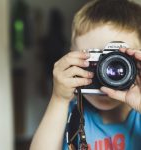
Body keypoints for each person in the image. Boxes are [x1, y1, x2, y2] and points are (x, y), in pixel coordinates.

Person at [30, 0, 141, 149]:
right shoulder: (70, 114)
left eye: (117, 62)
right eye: (95, 61)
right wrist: (59, 98)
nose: (105, 75)